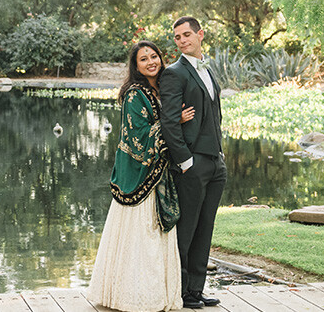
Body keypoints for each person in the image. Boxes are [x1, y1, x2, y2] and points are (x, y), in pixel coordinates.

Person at [88, 40, 195, 312]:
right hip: (140, 174)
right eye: (143, 59)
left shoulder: (162, 88)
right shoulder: (135, 93)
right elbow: (137, 137)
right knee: (142, 234)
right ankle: (134, 296)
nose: (151, 62)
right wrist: (173, 122)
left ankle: (157, 294)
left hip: (161, 170)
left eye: (154, 56)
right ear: (135, 67)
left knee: (157, 235)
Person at [158, 16, 226, 309]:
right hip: (192, 163)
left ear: (200, 35)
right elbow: (169, 122)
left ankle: (196, 292)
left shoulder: (208, 71)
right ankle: (180, 292)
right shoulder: (174, 73)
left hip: (215, 164)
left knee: (205, 228)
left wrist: (220, 155)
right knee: (186, 230)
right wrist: (185, 161)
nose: (182, 40)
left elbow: (214, 115)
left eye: (187, 35)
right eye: (177, 37)